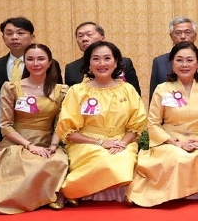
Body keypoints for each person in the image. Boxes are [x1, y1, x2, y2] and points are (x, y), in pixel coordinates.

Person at [129, 42, 198, 207]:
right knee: (178, 156)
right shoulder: (162, 89)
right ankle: (167, 194)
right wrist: (175, 142)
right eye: (179, 60)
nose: (184, 65)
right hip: (170, 139)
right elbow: (154, 123)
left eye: (189, 60)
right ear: (172, 63)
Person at [0, 43, 69, 214]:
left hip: (46, 142)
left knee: (57, 161)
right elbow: (5, 125)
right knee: (24, 163)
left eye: (41, 59)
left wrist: (52, 146)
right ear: (24, 63)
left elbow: (60, 124)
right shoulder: (11, 88)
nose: (36, 63)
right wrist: (29, 146)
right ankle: (27, 198)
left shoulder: (61, 91)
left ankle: (42, 197)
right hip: (17, 141)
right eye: (30, 59)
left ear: (49, 62)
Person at [56, 41, 147, 202]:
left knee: (123, 161)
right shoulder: (77, 91)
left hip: (121, 142)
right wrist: (100, 142)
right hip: (86, 144)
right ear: (88, 63)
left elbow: (136, 125)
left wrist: (123, 143)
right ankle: (69, 190)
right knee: (104, 160)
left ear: (116, 62)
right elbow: (68, 131)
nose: (102, 63)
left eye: (107, 58)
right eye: (96, 59)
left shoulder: (128, 89)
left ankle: (71, 190)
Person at [0, 17, 36, 150]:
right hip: (5, 133)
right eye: (9, 33)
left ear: (32, 37)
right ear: (3, 38)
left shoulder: (46, 64)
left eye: (20, 33)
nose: (14, 37)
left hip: (37, 132)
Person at [148, 17, 198, 98]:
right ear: (171, 36)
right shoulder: (159, 62)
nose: (183, 36)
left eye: (187, 32)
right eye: (178, 33)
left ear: (195, 36)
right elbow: (153, 98)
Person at [64, 22, 140, 94]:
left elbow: (136, 95)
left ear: (103, 38)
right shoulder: (71, 68)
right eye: (80, 36)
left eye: (89, 34)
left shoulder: (124, 63)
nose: (84, 39)